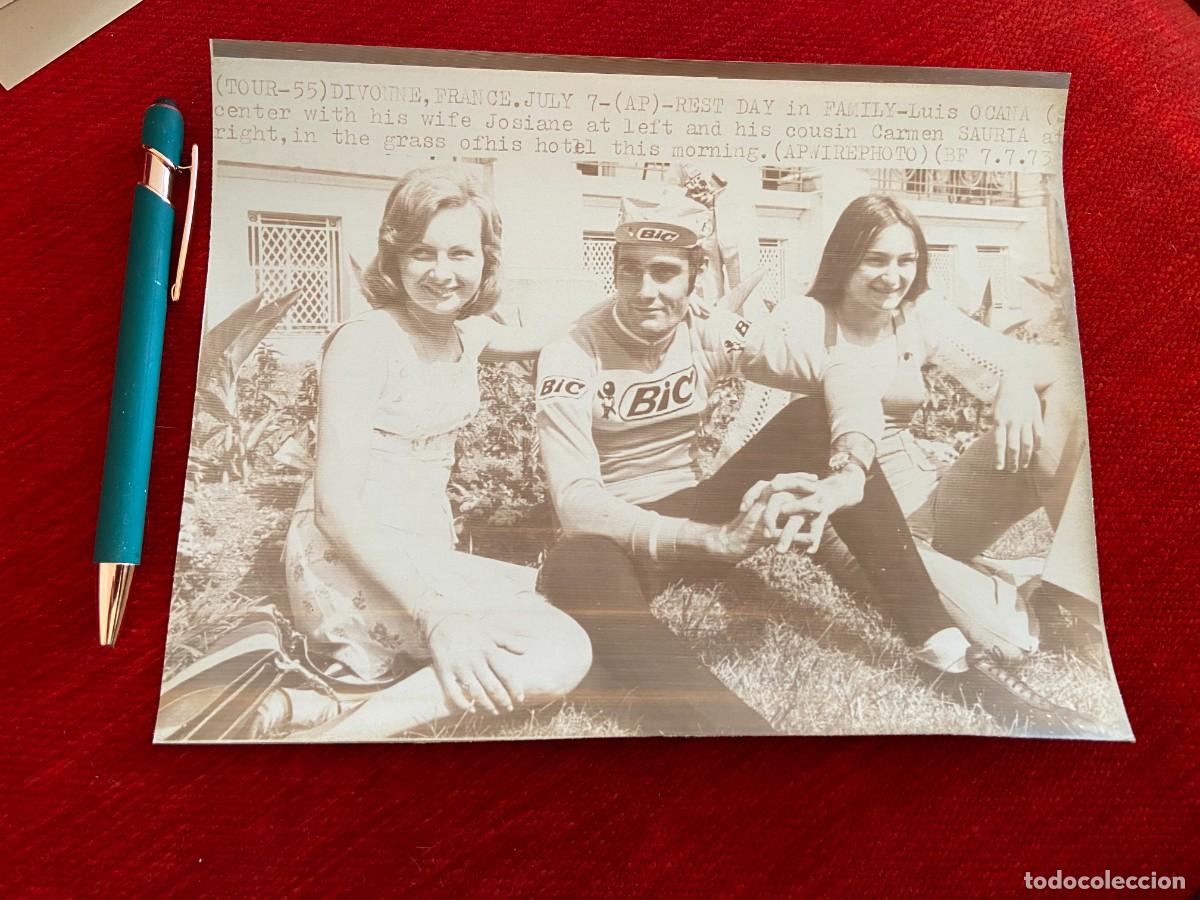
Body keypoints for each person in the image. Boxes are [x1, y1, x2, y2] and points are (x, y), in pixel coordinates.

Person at [534, 203, 1098, 737]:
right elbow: (577, 500)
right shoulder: (573, 351)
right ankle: (740, 731)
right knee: (573, 562)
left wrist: (850, 471)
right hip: (623, 533)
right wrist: (711, 539)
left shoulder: (709, 326)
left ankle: (947, 654)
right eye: (629, 273)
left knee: (812, 418)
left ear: (694, 279)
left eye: (663, 274)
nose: (646, 292)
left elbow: (839, 372)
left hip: (695, 501)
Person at [258, 166, 591, 740]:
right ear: (393, 258)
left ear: (486, 261)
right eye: (421, 253)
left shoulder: (472, 334)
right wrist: (435, 615)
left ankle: (329, 708)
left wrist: (648, 303)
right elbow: (334, 509)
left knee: (560, 627)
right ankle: (339, 737)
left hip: (422, 554)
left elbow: (549, 331)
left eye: (461, 253)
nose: (442, 274)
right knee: (557, 651)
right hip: (350, 559)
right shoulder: (364, 343)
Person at [793, 193, 1102, 664]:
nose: (892, 277)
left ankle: (1077, 594)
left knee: (1064, 402)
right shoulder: (801, 327)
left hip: (931, 507)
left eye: (905, 261)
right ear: (843, 260)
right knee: (1012, 639)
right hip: (857, 525)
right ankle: (1030, 587)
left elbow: (1067, 366)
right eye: (874, 260)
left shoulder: (915, 314)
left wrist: (1016, 380)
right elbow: (754, 439)